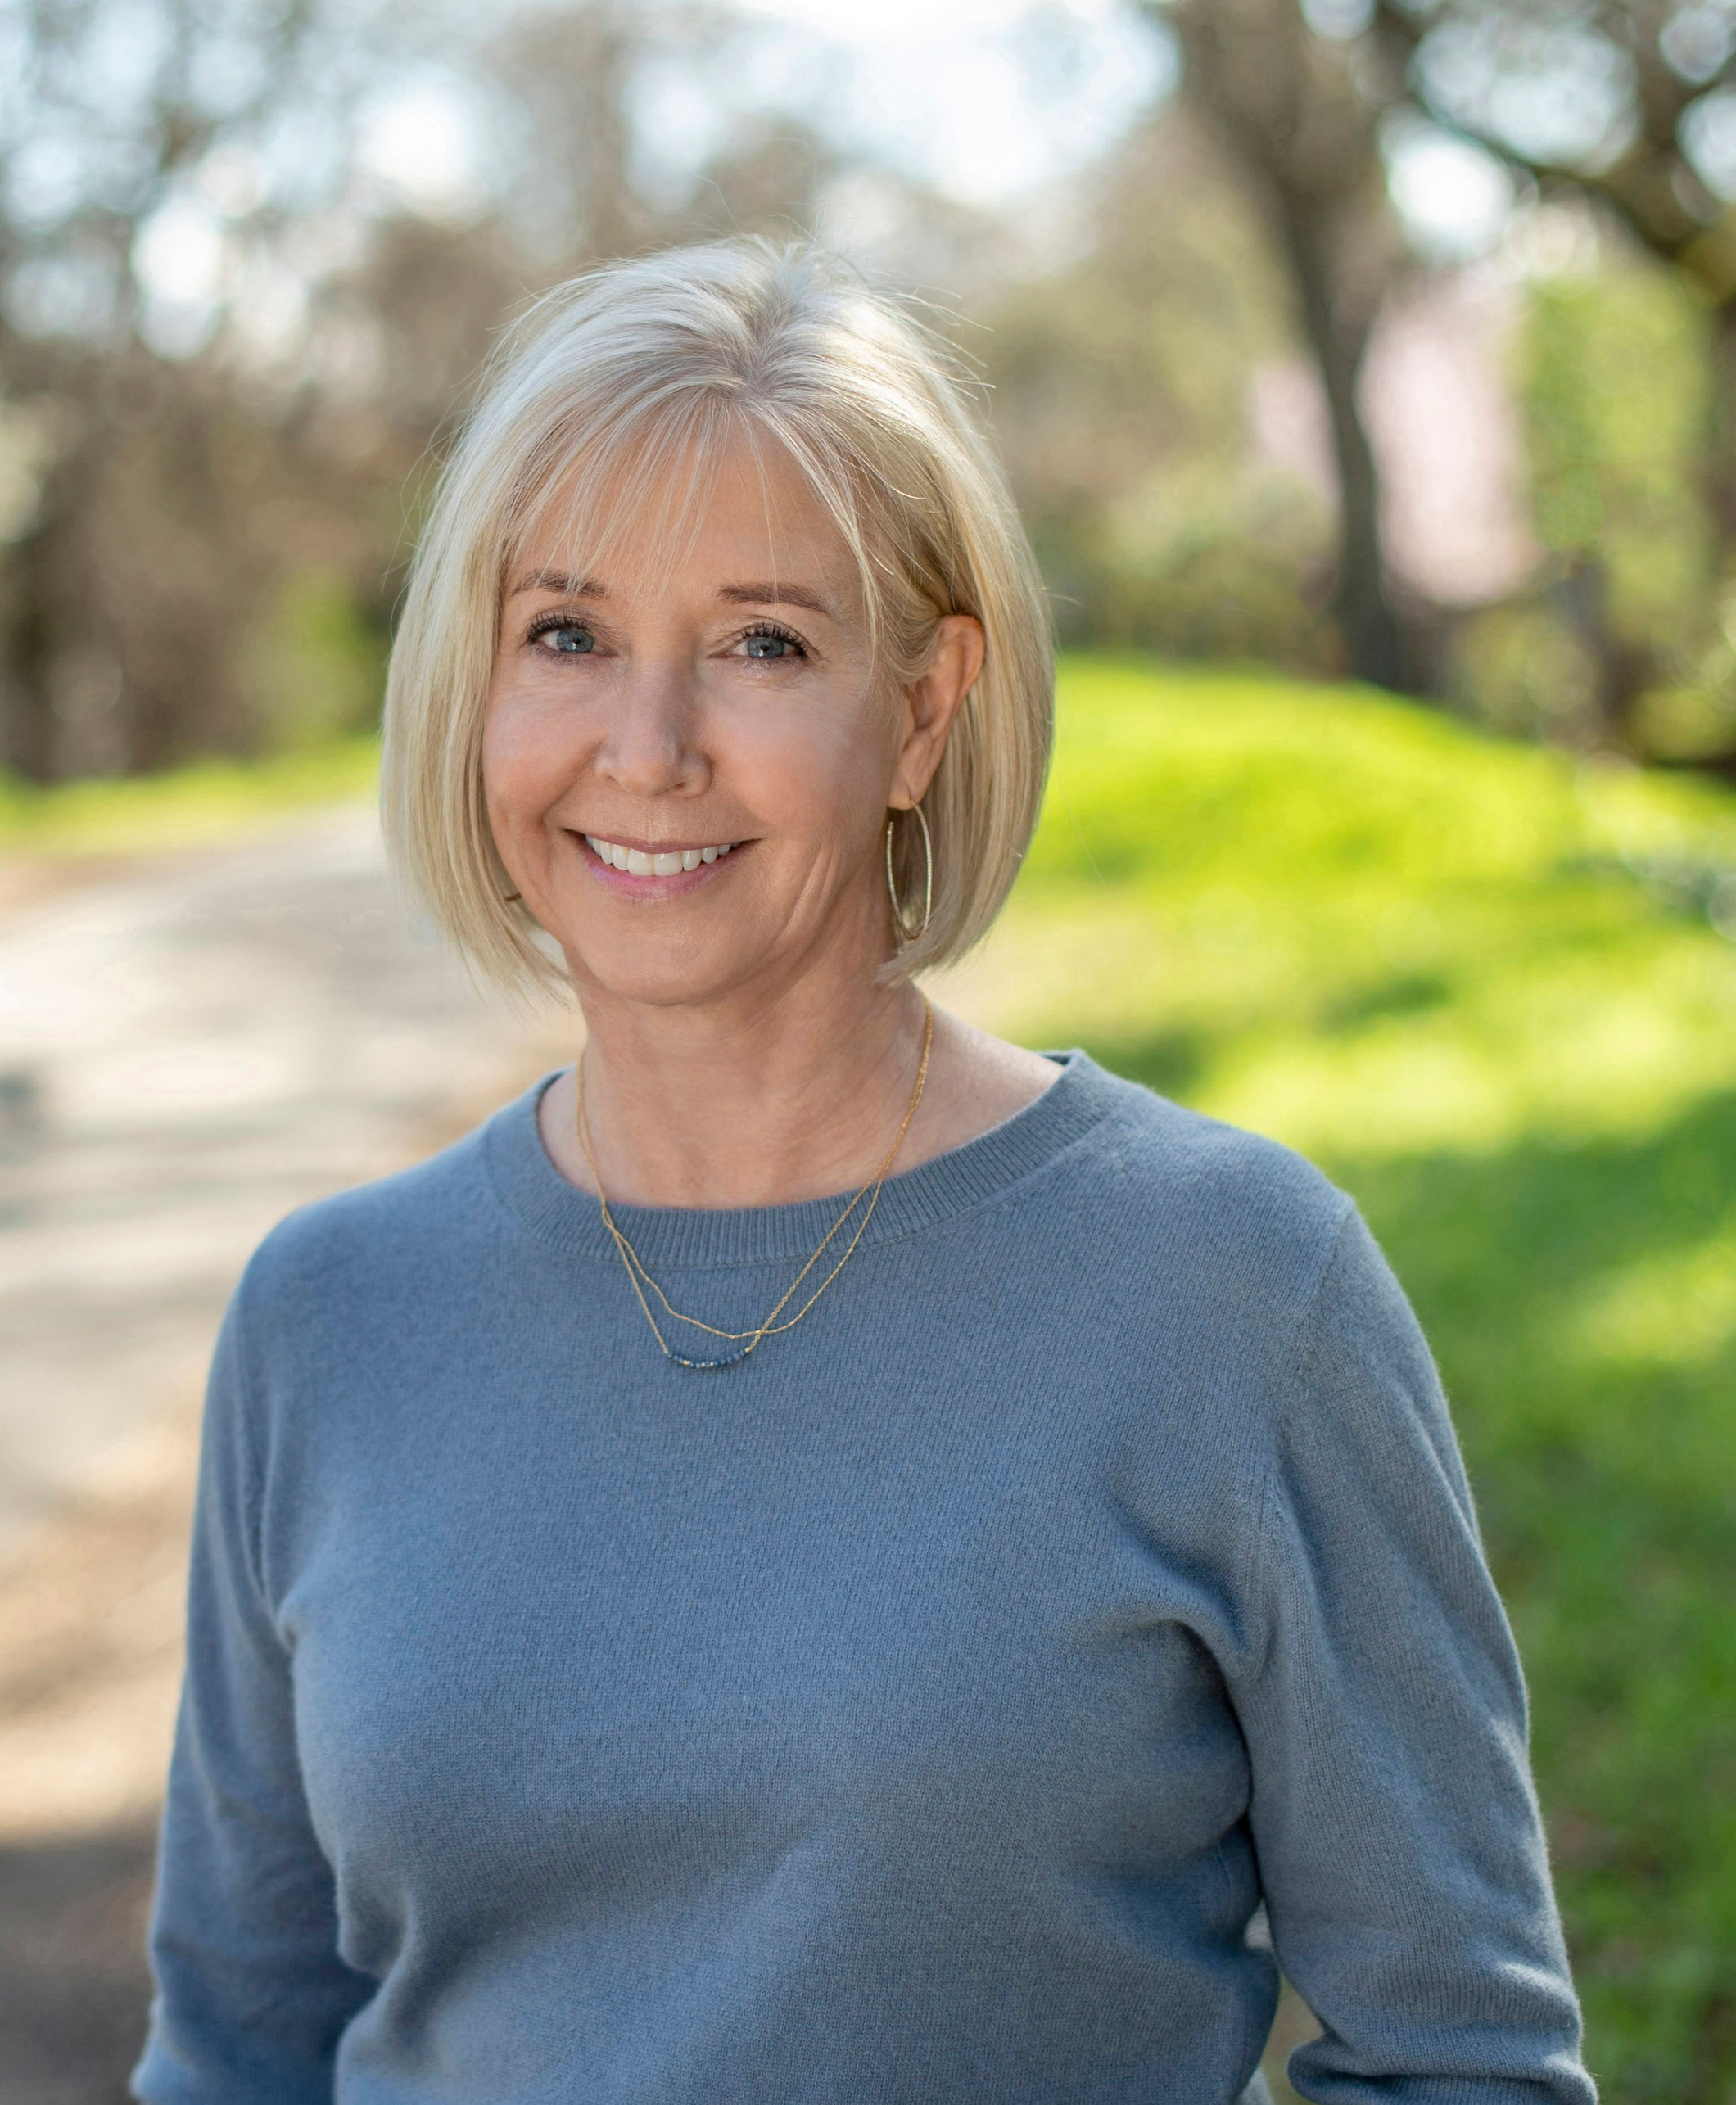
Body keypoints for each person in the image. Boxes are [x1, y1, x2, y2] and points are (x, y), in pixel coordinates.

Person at [132, 237, 1593, 2105]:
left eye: (761, 643)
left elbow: (1461, 2054)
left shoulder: (1233, 1292)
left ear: (917, 710)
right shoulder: (325, 1317)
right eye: (565, 633)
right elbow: (240, 2050)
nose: (645, 750)